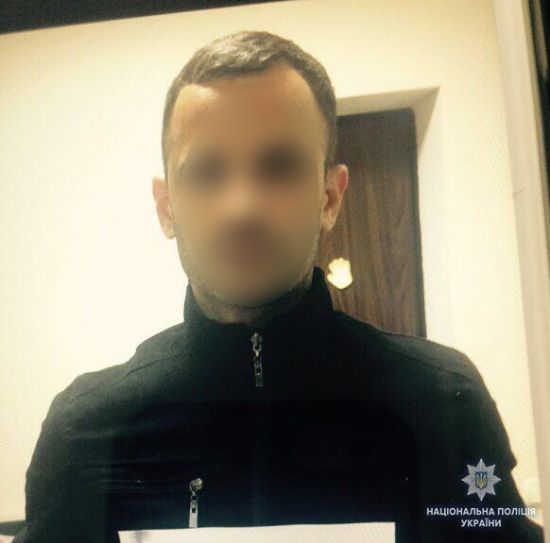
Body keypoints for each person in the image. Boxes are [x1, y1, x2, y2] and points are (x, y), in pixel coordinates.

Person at [14, 30, 544, 543]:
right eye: (207, 171)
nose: (241, 207)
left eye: (279, 167)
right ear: (166, 206)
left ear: (330, 198)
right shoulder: (86, 431)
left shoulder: (442, 403)